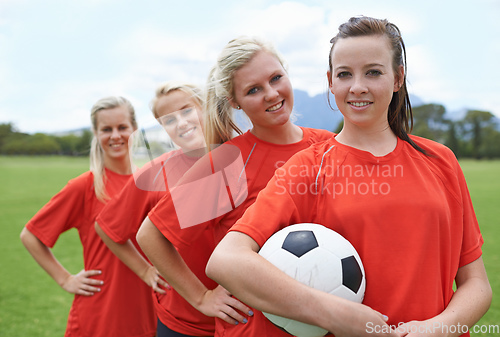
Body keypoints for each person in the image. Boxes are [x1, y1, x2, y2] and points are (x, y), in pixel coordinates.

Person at [206, 16, 492, 337]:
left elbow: (477, 284)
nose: (357, 86)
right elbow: (226, 260)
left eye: (373, 71)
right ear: (331, 82)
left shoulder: (441, 161)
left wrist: (437, 329)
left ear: (398, 78)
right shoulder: (307, 168)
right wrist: (331, 313)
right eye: (345, 74)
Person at [136, 36, 334, 336]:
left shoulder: (329, 147)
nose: (271, 94)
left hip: (327, 322)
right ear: (234, 101)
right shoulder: (230, 164)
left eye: (276, 78)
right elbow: (151, 234)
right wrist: (201, 297)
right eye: (253, 90)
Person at [95, 81, 236, 337]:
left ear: (206, 108)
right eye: (168, 120)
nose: (180, 123)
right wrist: (145, 270)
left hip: (246, 316)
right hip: (183, 323)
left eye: (186, 111)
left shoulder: (243, 155)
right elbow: (106, 227)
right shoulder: (154, 174)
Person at [20, 96, 157, 337]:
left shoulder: (151, 182)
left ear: (134, 129)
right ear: (96, 133)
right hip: (100, 317)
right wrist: (65, 279)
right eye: (106, 129)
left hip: (151, 313)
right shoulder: (86, 186)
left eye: (122, 127)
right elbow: (31, 235)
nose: (115, 135)